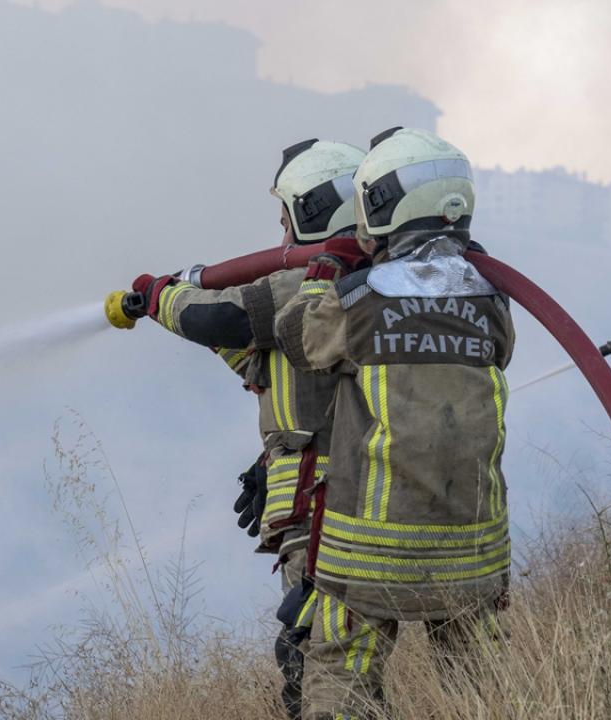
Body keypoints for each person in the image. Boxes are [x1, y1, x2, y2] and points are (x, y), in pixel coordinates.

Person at [112, 138, 365, 719]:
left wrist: (159, 296)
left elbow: (221, 317)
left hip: (327, 506)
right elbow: (273, 369)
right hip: (330, 490)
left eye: (286, 216)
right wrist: (273, 460)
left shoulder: (312, 286)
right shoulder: (362, 286)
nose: (281, 233)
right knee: (334, 655)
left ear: (314, 211)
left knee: (318, 660)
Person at [273, 127, 514, 719]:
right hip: (472, 544)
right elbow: (501, 353)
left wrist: (325, 270)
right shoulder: (494, 298)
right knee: (482, 685)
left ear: (383, 205)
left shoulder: (359, 299)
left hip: (370, 547)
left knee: (344, 676)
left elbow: (298, 340)